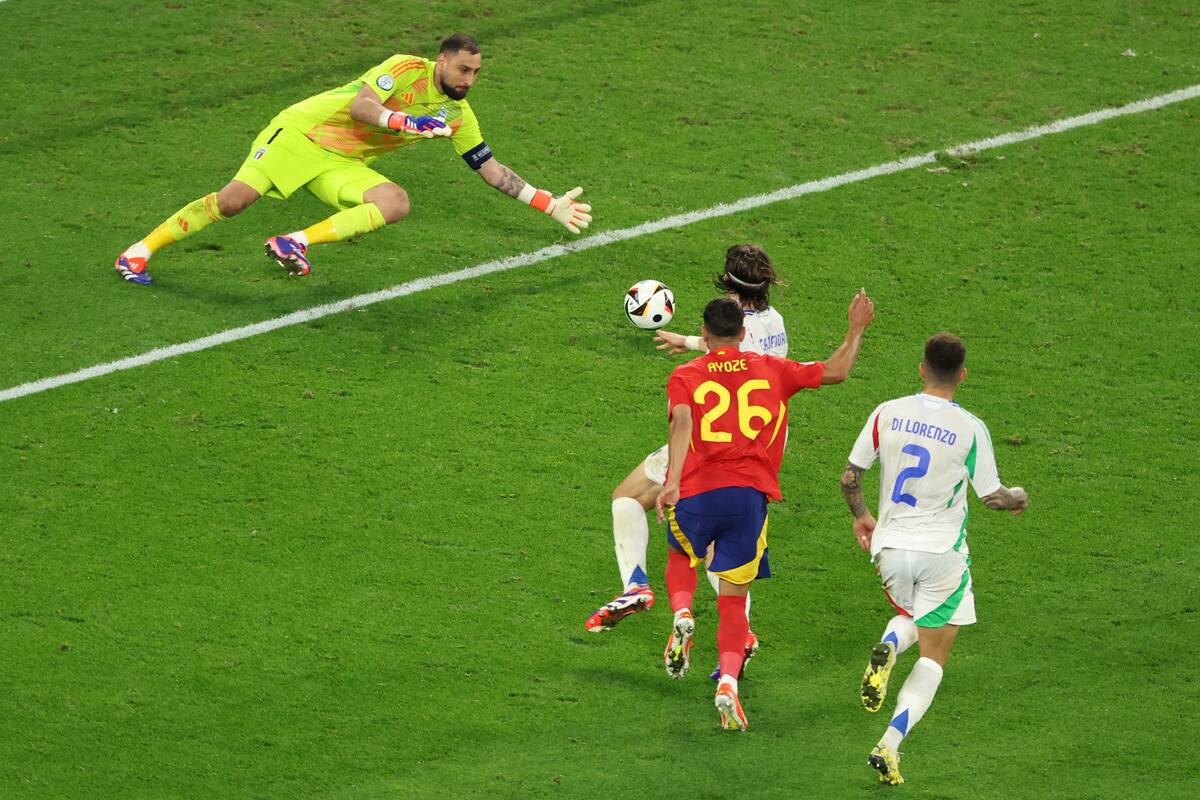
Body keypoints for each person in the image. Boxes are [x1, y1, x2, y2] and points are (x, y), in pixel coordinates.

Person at [113, 33, 591, 285]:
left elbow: (489, 168)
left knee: (394, 200)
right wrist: (405, 123)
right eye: (463, 68)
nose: (469, 79)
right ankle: (138, 252)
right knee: (235, 201)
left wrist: (547, 203)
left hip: (339, 162)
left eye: (477, 72)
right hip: (302, 133)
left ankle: (292, 241)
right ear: (441, 61)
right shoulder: (404, 68)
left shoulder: (459, 114)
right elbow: (363, 107)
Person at [656, 291, 875, 731]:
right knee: (734, 599)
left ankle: (682, 613)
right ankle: (729, 684)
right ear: (742, 334)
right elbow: (837, 371)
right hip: (749, 499)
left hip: (698, 491)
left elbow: (681, 421)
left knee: (681, 557)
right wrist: (856, 329)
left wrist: (672, 481)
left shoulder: (685, 374)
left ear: (703, 333)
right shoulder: (771, 369)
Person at [585, 244, 787, 680]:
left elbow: (718, 368)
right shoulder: (775, 324)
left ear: (728, 286)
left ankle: (637, 584)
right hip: (759, 457)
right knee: (726, 550)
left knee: (626, 498)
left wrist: (693, 344)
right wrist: (691, 342)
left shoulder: (732, 330)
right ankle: (742, 636)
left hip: (710, 448)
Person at [838, 332, 1029, 784]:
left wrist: (864, 517)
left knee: (909, 614)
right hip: (941, 554)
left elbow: (849, 478)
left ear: (921, 367)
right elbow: (991, 498)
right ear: (962, 375)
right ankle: (890, 743)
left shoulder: (887, 411)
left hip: (890, 548)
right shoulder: (970, 427)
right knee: (935, 651)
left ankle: (889, 645)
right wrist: (1019, 496)